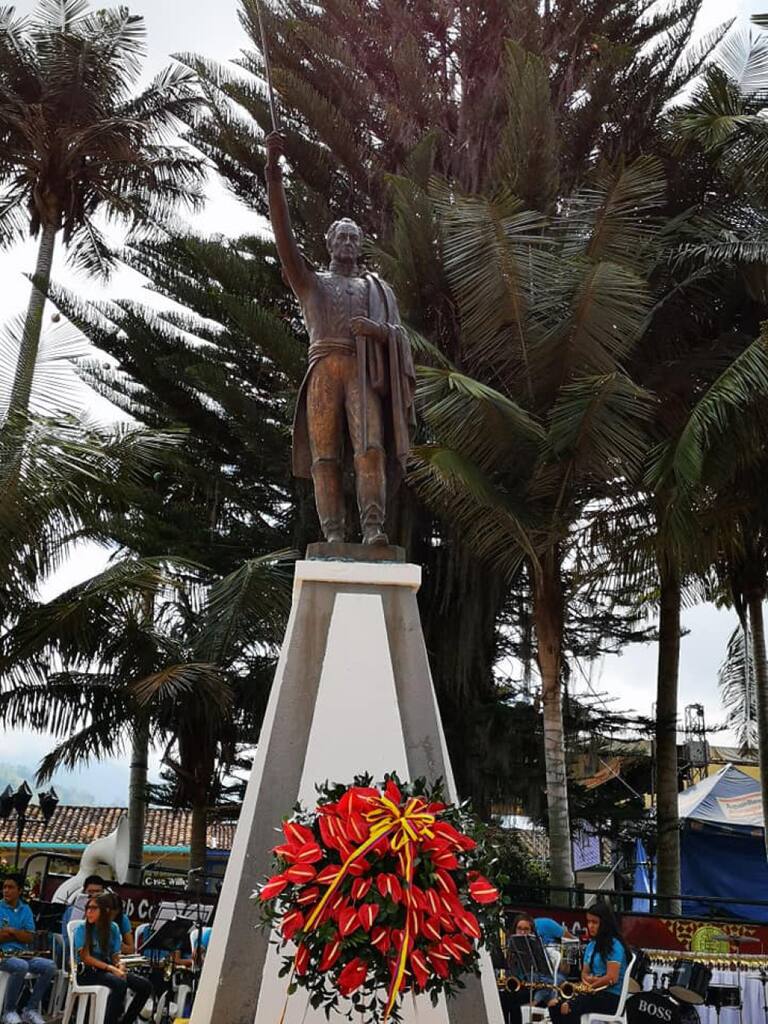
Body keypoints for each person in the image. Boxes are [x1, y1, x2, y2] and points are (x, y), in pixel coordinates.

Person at [265, 131, 415, 546]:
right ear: (329, 244)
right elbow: (284, 238)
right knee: (325, 456)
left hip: (362, 371)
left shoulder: (376, 289)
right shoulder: (311, 283)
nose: (347, 242)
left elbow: (400, 335)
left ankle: (373, 529)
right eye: (341, 237)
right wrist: (273, 173)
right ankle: (332, 534)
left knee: (371, 448)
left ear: (359, 246)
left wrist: (376, 330)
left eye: (353, 238)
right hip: (323, 372)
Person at [72, 893, 152, 1024]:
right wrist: (112, 969)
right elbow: (85, 958)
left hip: (106, 969)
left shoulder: (113, 928)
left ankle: (126, 1021)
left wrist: (120, 966)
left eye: (94, 908)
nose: (89, 912)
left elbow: (115, 956)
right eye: (88, 908)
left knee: (145, 986)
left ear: (106, 911)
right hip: (87, 971)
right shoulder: (82, 928)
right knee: (119, 984)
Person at [548, 903, 628, 1021]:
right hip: (592, 992)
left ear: (604, 923)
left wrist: (590, 987)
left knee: (570, 1006)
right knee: (554, 1005)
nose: (590, 926)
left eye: (595, 922)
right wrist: (588, 982)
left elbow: (612, 978)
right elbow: (584, 973)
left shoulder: (615, 945)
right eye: (589, 922)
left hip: (610, 996)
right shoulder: (591, 945)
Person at [0, 873, 55, 1024]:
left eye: (10, 887)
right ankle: (9, 1011)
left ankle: (30, 1009)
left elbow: (30, 937)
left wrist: (11, 931)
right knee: (21, 966)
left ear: (19, 891)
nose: (6, 890)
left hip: (22, 954)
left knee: (50, 966)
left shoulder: (26, 910)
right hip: (3, 955)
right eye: (4, 887)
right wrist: (19, 934)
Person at [500, 914, 560, 1024]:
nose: (522, 932)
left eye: (526, 929)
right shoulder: (510, 948)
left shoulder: (539, 950)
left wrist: (535, 1000)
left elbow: (548, 982)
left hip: (537, 993)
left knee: (514, 1003)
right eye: (519, 929)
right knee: (503, 997)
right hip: (519, 989)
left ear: (532, 932)